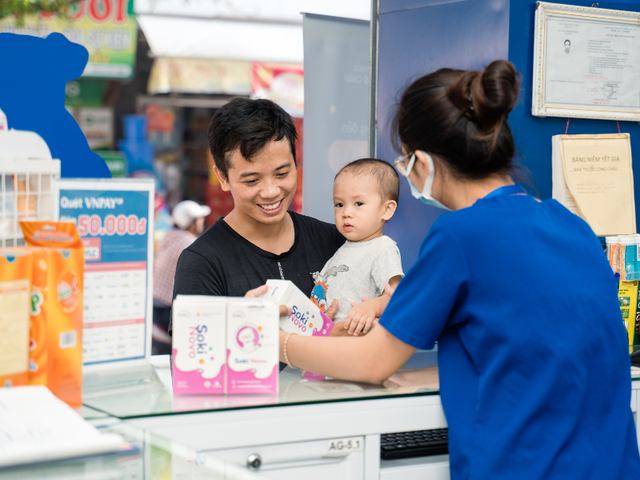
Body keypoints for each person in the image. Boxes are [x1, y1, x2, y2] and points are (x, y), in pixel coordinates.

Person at [273, 60, 640, 479]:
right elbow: (534, 357)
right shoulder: (571, 226)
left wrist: (277, 342)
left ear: (423, 165)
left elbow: (371, 361)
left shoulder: (461, 235)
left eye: (406, 162)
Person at [170, 98, 346, 335]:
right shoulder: (202, 262)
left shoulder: (334, 241)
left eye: (282, 173)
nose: (271, 192)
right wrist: (241, 325)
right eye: (252, 180)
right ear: (222, 177)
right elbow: (189, 363)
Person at [310, 158, 403, 335]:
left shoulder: (383, 248)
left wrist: (371, 308)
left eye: (358, 204)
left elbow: (396, 298)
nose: (346, 213)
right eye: (339, 204)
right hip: (327, 340)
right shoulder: (343, 249)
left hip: (356, 340)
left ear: (387, 210)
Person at [153, 200, 210, 354]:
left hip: (157, 303)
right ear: (191, 222)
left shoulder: (171, 237)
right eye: (199, 219)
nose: (202, 223)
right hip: (167, 308)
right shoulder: (187, 243)